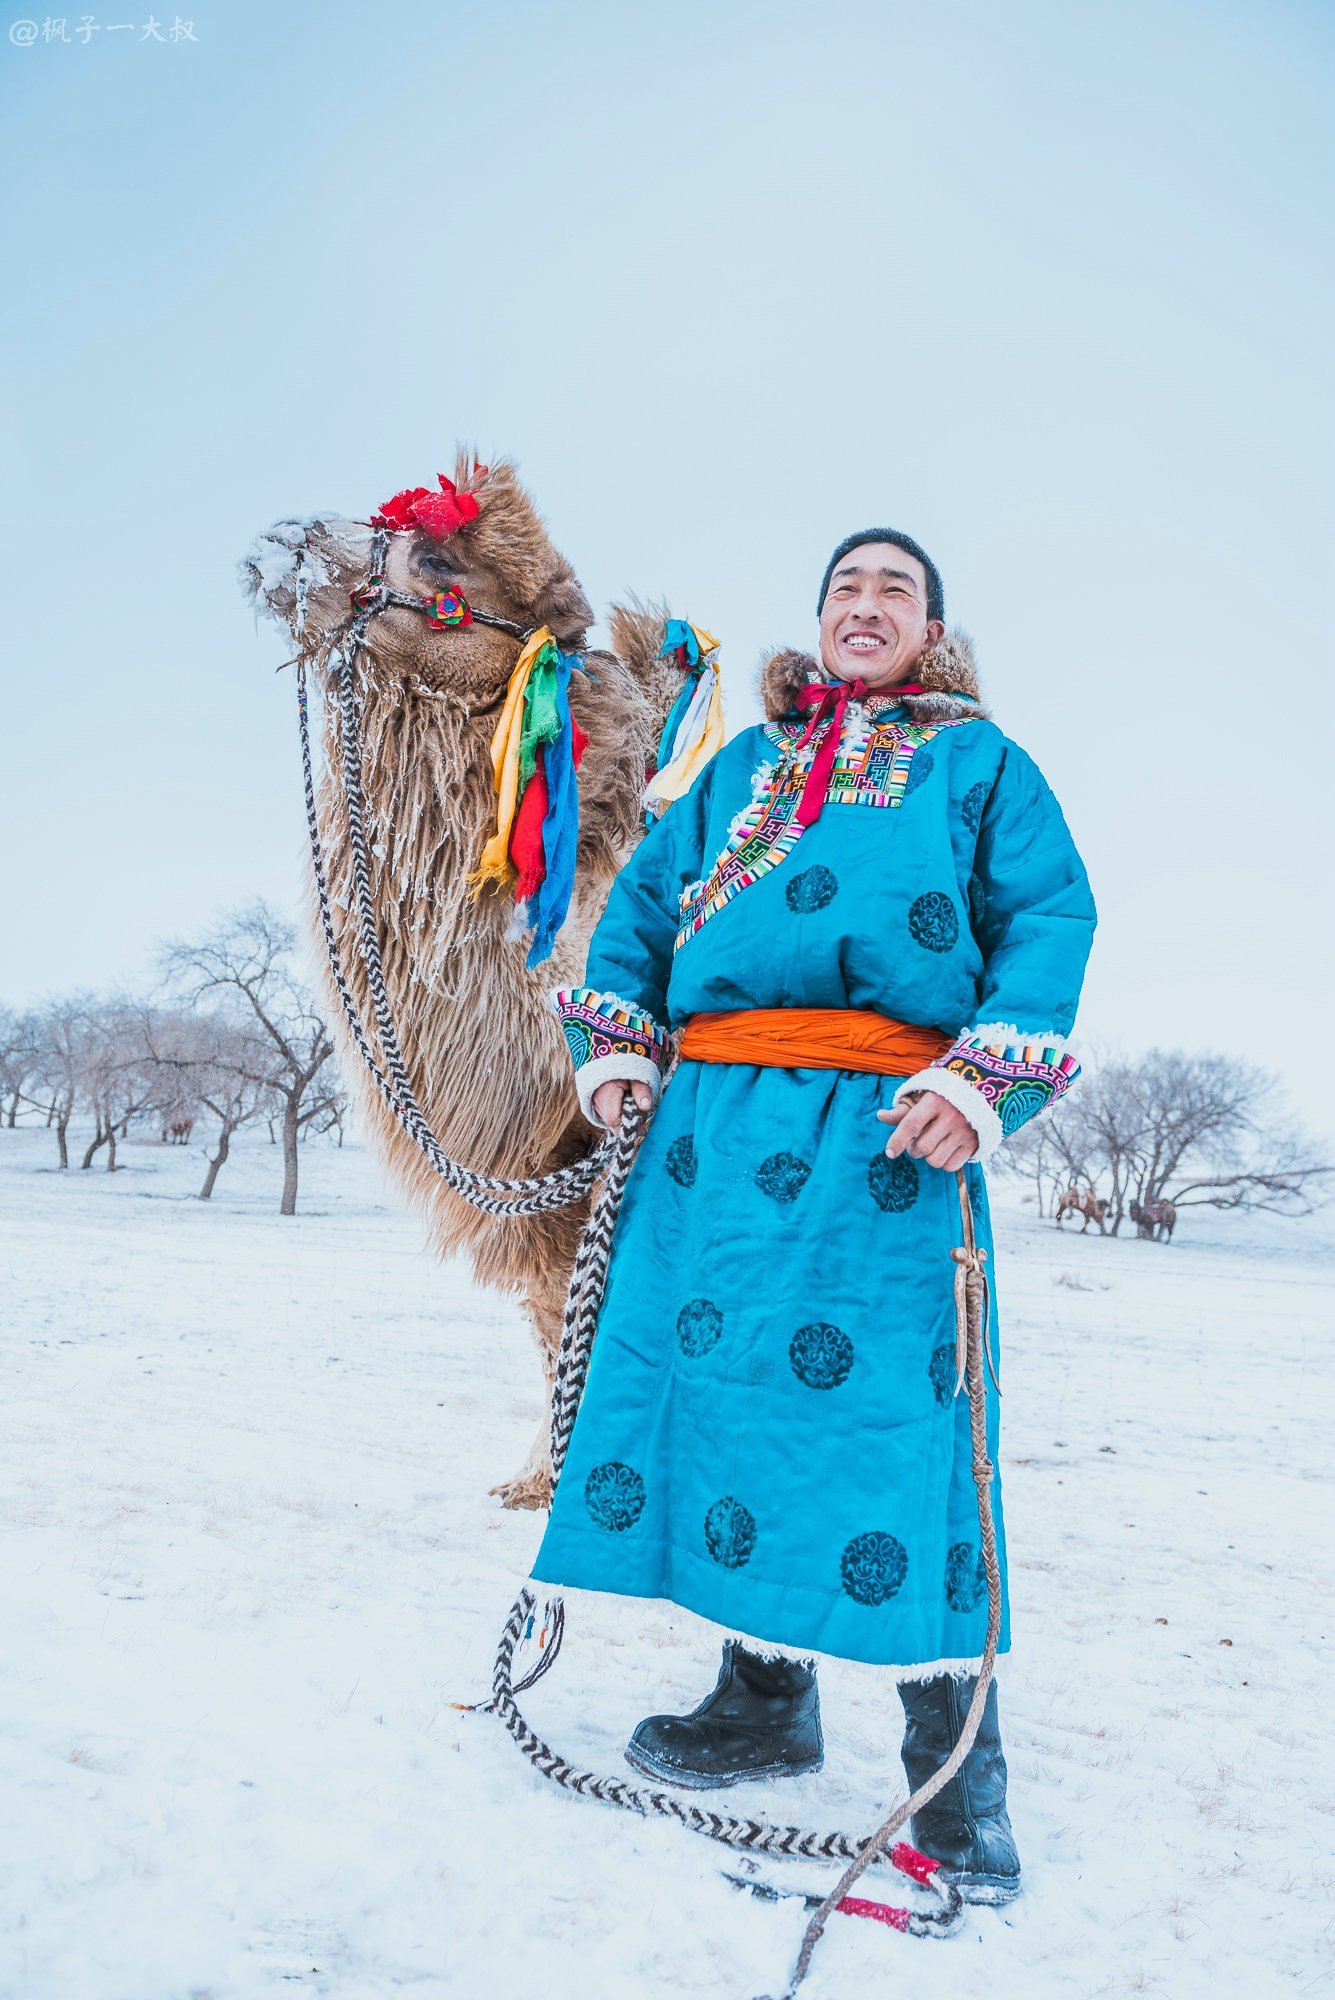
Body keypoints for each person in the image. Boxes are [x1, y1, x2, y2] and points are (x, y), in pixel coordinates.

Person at [533, 531, 1096, 1903]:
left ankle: (958, 1776)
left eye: (893, 590)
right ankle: (761, 1704)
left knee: (907, 1429)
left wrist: (985, 1079)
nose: (863, 606)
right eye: (844, 587)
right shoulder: (737, 768)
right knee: (729, 1407)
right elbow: (638, 914)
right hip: (710, 1143)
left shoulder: (984, 768)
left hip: (889, 1138)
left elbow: (1048, 923)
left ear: (932, 631)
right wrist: (618, 1051)